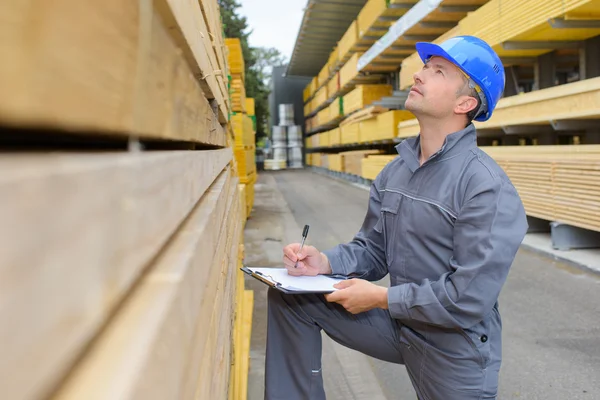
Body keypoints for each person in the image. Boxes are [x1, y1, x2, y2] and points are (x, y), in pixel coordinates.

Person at [266, 35, 528, 400]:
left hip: (454, 346)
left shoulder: (485, 187)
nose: (419, 75)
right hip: (399, 325)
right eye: (425, 66)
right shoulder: (396, 172)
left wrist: (382, 299)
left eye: (438, 71)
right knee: (291, 298)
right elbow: (373, 250)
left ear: (465, 102)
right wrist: (323, 262)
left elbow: (468, 299)